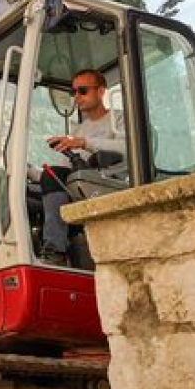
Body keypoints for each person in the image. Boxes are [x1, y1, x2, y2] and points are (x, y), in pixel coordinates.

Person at [38, 69, 125, 265]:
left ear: (101, 91)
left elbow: (128, 147)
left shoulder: (119, 119)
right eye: (74, 92)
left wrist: (84, 143)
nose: (77, 97)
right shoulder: (79, 129)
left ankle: (56, 248)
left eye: (83, 91)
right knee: (46, 179)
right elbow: (61, 168)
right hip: (80, 185)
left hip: (110, 185)